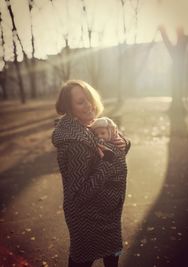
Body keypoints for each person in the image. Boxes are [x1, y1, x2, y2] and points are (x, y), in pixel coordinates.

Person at [52, 80, 131, 267]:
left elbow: (107, 149)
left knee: (112, 255)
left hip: (107, 211)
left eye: (89, 98)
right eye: (80, 102)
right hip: (88, 218)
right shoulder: (76, 143)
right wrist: (107, 164)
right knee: (83, 260)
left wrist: (123, 143)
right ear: (69, 108)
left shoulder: (89, 127)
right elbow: (79, 193)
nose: (89, 105)